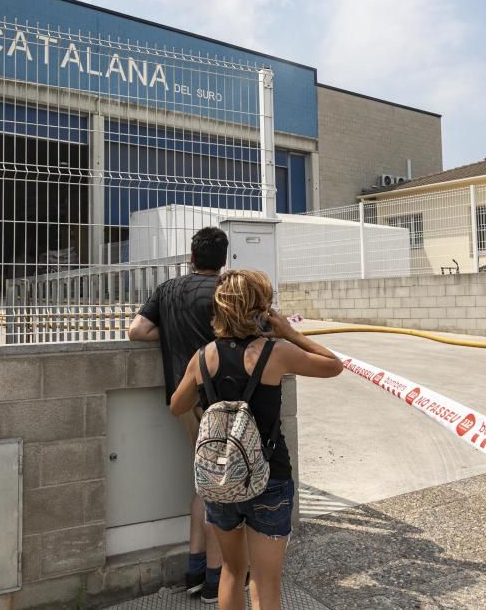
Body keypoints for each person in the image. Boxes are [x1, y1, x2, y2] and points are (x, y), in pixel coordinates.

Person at [170, 269, 343, 610]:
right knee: (265, 584)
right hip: (269, 478)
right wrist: (290, 332)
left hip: (222, 481)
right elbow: (333, 365)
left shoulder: (203, 356)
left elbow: (178, 405)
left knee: (233, 572)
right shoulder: (275, 352)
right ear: (260, 308)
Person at [127, 226, 228, 601]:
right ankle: (215, 580)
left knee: (204, 482)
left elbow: (136, 330)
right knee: (221, 490)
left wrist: (169, 333)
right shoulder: (225, 292)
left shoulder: (168, 290)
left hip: (183, 401)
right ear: (224, 260)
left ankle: (195, 570)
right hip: (220, 403)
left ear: (191, 256)